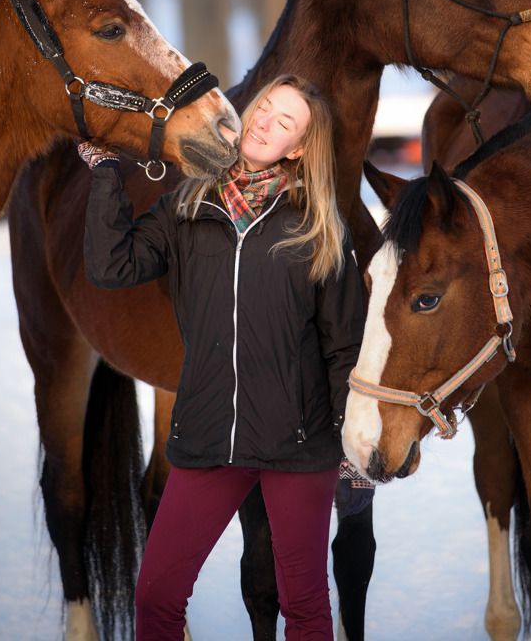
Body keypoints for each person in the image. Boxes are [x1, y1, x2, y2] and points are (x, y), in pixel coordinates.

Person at [78, 73, 366, 641]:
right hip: (209, 437)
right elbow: (111, 266)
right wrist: (108, 175)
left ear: (300, 147)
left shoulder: (318, 230)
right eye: (262, 110)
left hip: (300, 446)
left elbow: (344, 349)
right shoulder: (186, 207)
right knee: (157, 596)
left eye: (284, 122)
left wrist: (349, 451)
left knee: (304, 606)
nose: (264, 123)